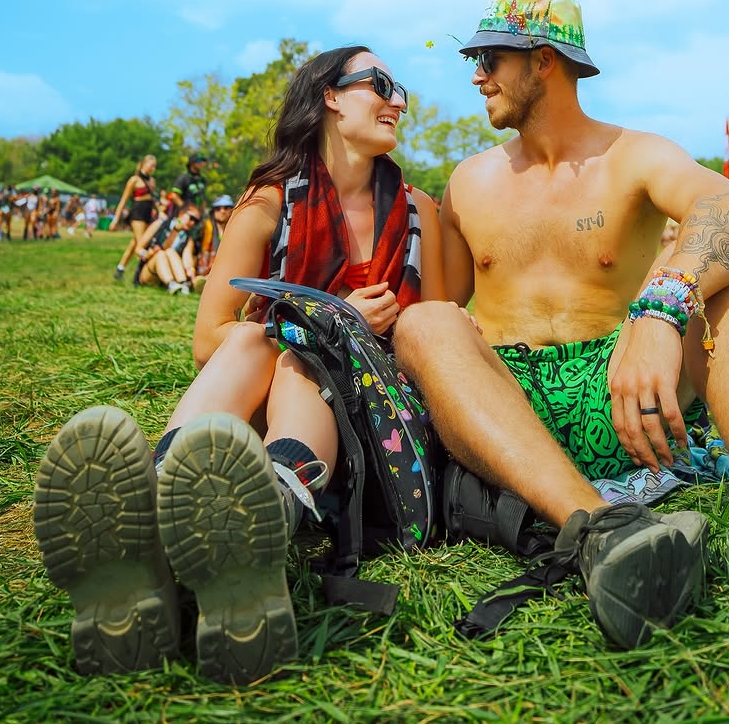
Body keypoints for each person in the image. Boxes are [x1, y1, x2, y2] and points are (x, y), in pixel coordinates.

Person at [393, 0, 729, 650]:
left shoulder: (633, 155)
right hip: (511, 420)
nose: (476, 75)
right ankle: (598, 528)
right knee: (425, 324)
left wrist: (659, 309)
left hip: (629, 400)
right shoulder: (468, 181)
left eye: (489, 58)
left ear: (544, 60)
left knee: (722, 285)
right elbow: (443, 316)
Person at [33, 46, 443, 683]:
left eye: (400, 90)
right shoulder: (269, 201)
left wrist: (339, 332)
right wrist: (328, 316)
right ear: (330, 97)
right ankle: (164, 508)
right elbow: (210, 337)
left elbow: (432, 333)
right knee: (255, 341)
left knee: (302, 361)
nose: (399, 101)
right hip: (267, 408)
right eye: (381, 84)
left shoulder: (420, 211)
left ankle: (249, 512)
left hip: (377, 424)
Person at [110, 155, 158, 280]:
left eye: (154, 166)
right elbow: (123, 200)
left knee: (135, 243)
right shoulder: (134, 180)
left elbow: (152, 199)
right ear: (143, 164)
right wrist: (116, 219)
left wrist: (159, 211)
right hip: (137, 213)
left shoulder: (152, 181)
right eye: (151, 165)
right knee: (142, 243)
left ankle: (120, 268)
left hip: (148, 213)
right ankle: (139, 275)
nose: (153, 168)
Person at [193, 194, 234, 286]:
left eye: (226, 208)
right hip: (205, 266)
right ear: (213, 211)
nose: (222, 211)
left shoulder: (236, 229)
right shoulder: (204, 227)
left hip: (226, 267)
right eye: (218, 208)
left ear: (232, 210)